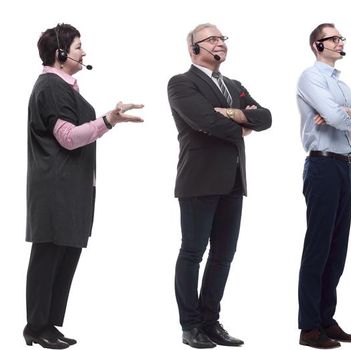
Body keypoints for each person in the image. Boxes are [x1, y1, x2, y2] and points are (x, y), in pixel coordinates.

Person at [24, 23, 144, 349]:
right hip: (55, 189)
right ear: (60, 53)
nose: (83, 52)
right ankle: (35, 326)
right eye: (78, 47)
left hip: (72, 187)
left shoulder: (65, 87)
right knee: (49, 255)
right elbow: (67, 137)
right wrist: (108, 121)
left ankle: (47, 323)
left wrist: (106, 122)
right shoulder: (50, 87)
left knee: (66, 253)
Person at [167, 22, 272, 349]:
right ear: (193, 48)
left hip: (233, 181)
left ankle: (211, 322)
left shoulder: (234, 84)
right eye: (211, 39)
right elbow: (204, 121)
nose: (220, 43)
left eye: (222, 38)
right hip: (198, 180)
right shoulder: (181, 83)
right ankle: (191, 325)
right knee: (193, 252)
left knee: (224, 254)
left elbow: (266, 118)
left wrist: (233, 115)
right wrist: (243, 122)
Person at [296, 23, 351, 349]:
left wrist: (343, 113)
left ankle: (327, 320)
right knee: (318, 247)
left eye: (341, 38)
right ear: (318, 45)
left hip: (344, 165)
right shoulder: (310, 77)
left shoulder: (340, 83)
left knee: (337, 249)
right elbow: (339, 116)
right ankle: (309, 328)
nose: (341, 42)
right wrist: (344, 113)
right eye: (335, 38)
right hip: (322, 164)